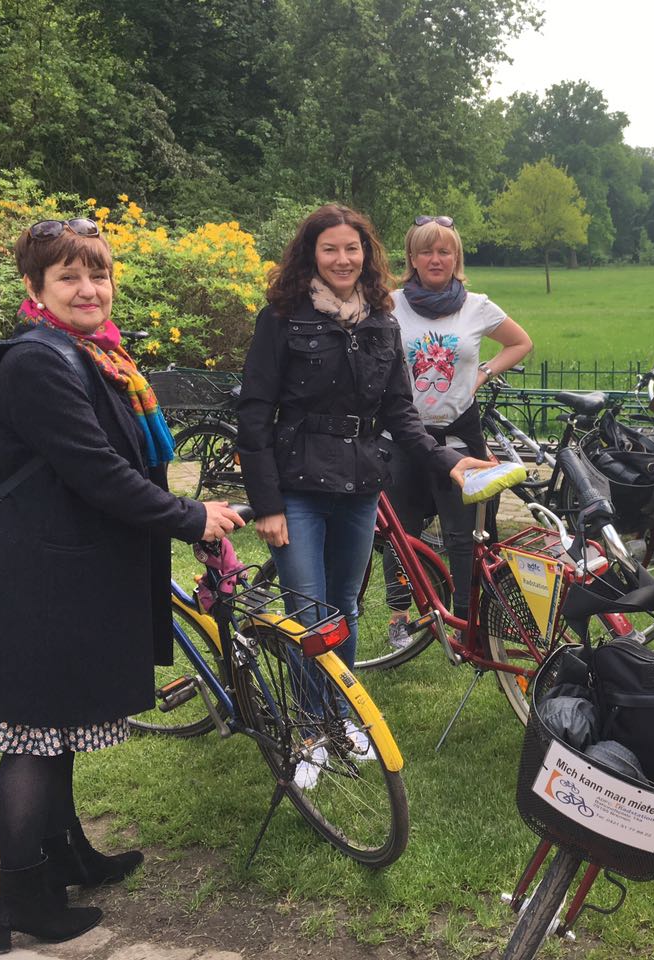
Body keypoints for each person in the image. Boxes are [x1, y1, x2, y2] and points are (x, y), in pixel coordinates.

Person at [0, 219, 243, 950]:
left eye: (96, 274)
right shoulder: (41, 362)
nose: (88, 289)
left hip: (66, 568)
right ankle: (22, 899)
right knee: (36, 736)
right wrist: (192, 517)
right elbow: (102, 475)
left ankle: (66, 857)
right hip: (41, 580)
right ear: (36, 289)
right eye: (68, 277)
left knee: (58, 727)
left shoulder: (92, 355)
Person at [236, 204, 489, 786]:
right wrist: (268, 504)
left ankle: (340, 713)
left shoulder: (380, 318)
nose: (343, 260)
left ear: (367, 255)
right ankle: (307, 728)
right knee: (309, 612)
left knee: (345, 608)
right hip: (297, 487)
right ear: (311, 255)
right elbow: (254, 414)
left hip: (359, 487)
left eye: (353, 249)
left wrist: (446, 460)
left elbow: (401, 411)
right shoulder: (282, 317)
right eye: (330, 249)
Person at [384, 215, 533, 645]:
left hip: (459, 436)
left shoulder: (477, 306)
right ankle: (400, 616)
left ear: (456, 257)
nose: (436, 258)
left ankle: (470, 622)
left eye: (444, 250)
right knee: (400, 534)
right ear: (412, 257)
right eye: (426, 250)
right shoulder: (390, 304)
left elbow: (520, 342)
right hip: (402, 437)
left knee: (465, 534)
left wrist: (484, 372)